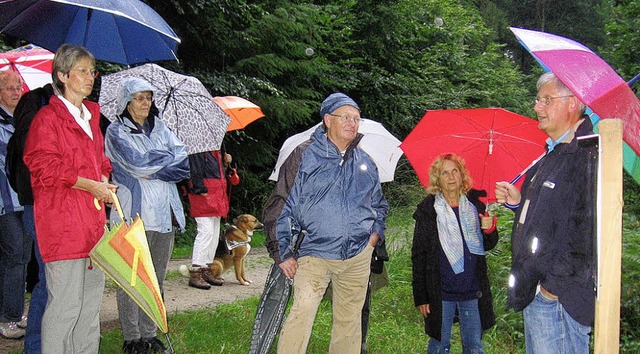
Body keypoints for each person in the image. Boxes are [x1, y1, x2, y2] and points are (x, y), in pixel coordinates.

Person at [262, 92, 389, 353]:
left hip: (357, 256)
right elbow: (280, 204)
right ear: (328, 119)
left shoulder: (365, 161)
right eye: (345, 117)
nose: (352, 123)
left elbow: (379, 204)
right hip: (314, 254)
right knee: (303, 311)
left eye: (356, 118)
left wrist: (374, 236)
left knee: (349, 321)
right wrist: (282, 252)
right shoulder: (303, 155)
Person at [23, 44, 116, 353]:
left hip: (93, 225)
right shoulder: (47, 119)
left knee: (89, 310)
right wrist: (91, 186)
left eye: (92, 71)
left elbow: (100, 161)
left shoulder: (90, 117)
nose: (90, 78)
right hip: (62, 226)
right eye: (82, 71)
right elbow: (43, 168)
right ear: (62, 75)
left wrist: (104, 179)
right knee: (64, 309)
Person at [495, 71, 597, 353]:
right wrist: (518, 203)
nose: (537, 107)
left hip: (558, 298)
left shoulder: (585, 153)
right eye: (538, 100)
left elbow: (585, 228)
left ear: (573, 103)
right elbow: (546, 218)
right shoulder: (552, 154)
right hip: (538, 290)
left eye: (546, 100)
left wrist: (551, 289)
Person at [104, 77, 189, 354]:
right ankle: (132, 338)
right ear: (127, 101)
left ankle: (150, 333)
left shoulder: (162, 129)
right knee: (131, 277)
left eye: (148, 98)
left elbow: (183, 163)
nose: (145, 103)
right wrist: (163, 160)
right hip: (133, 215)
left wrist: (155, 163)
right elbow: (134, 163)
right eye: (139, 98)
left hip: (164, 215)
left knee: (157, 278)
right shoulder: (116, 132)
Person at [411, 153, 498, 353]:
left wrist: (489, 229)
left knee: (474, 347)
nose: (451, 177)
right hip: (441, 292)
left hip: (472, 290)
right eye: (444, 173)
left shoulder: (476, 206)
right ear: (437, 179)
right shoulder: (428, 211)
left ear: (462, 175)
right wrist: (421, 297)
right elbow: (419, 256)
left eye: (454, 171)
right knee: (440, 345)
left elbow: (488, 244)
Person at [6, 81, 55, 352]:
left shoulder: (70, 107)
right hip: (38, 203)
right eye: (81, 71)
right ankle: (35, 346)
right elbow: (31, 156)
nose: (88, 77)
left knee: (51, 280)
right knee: (47, 279)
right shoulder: (36, 102)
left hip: (53, 205)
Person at [0, 70, 31, 340]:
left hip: (25, 200)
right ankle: (9, 317)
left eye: (17, 86)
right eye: (9, 88)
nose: (14, 92)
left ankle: (14, 311)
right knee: (14, 254)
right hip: (4, 202)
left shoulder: (22, 119)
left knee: (22, 256)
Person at [185, 150, 232, 289]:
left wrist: (225, 164)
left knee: (214, 233)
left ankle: (206, 269)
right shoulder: (198, 150)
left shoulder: (216, 152)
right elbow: (195, 171)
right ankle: (196, 271)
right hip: (204, 196)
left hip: (216, 195)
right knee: (205, 232)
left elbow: (215, 173)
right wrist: (200, 188)